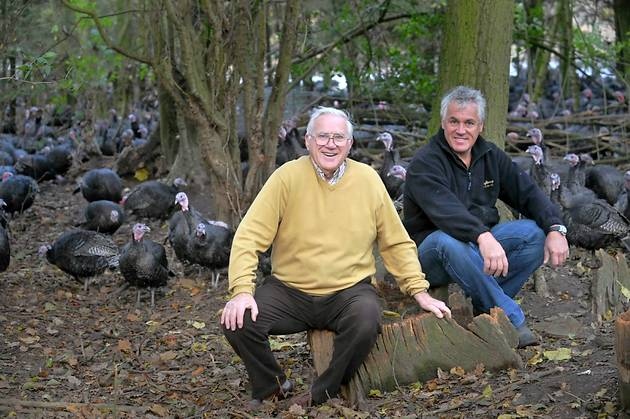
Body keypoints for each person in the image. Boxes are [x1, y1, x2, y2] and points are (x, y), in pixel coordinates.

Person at [220, 107, 451, 408]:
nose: (331, 144)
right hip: (290, 290)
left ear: (350, 144)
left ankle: (324, 390)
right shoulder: (286, 177)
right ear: (308, 141)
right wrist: (241, 291)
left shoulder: (368, 180)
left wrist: (418, 290)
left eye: (338, 137)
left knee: (366, 320)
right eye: (323, 136)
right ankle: (272, 385)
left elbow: (395, 242)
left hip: (348, 290)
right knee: (236, 321)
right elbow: (249, 237)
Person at [403, 86, 569, 348]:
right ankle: (511, 319)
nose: (461, 130)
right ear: (443, 123)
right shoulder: (426, 162)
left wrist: (556, 228)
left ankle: (486, 305)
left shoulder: (490, 155)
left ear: (480, 126)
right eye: (454, 121)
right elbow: (447, 212)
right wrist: (483, 236)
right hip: (429, 255)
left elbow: (527, 193)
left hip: (476, 248)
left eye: (469, 123)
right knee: (448, 241)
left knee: (534, 235)